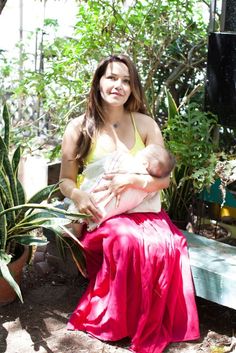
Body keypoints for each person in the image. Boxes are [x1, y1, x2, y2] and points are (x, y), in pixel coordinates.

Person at [59, 54, 200, 353]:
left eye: (126, 80)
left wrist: (133, 181)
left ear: (133, 87)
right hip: (103, 214)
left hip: (144, 209)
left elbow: (164, 179)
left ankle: (142, 321)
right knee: (126, 241)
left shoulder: (145, 124)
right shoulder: (78, 128)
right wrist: (79, 195)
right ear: (98, 82)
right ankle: (118, 321)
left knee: (167, 245)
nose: (118, 86)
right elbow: (65, 181)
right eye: (111, 78)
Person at [67, 144, 176, 232]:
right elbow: (65, 179)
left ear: (144, 163)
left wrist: (131, 180)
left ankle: (77, 224)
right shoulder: (80, 126)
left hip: (130, 217)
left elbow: (165, 181)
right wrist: (76, 194)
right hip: (89, 203)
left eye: (140, 152)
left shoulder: (148, 125)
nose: (137, 153)